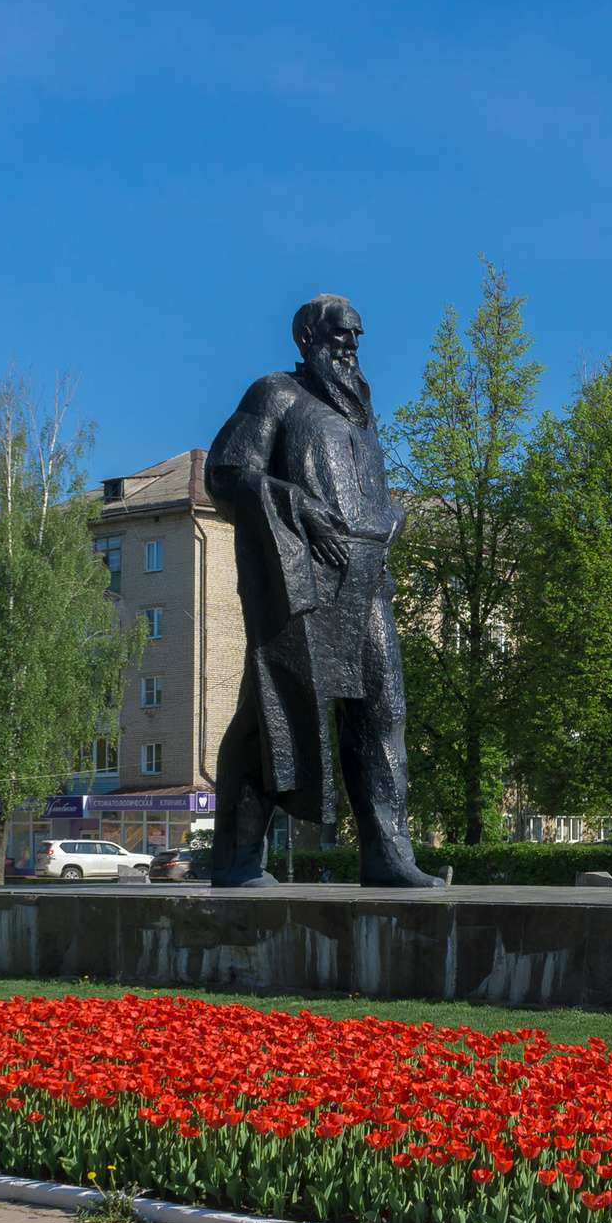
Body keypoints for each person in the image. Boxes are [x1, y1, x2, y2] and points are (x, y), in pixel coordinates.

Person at [204, 295, 442, 889]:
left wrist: (391, 516)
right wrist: (298, 505)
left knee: (383, 712)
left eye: (357, 335)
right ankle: (235, 859)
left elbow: (363, 492)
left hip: (366, 580)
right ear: (308, 337)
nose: (351, 345)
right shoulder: (275, 394)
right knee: (273, 718)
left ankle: (387, 853)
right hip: (301, 579)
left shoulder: (359, 409)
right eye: (340, 334)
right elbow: (225, 475)